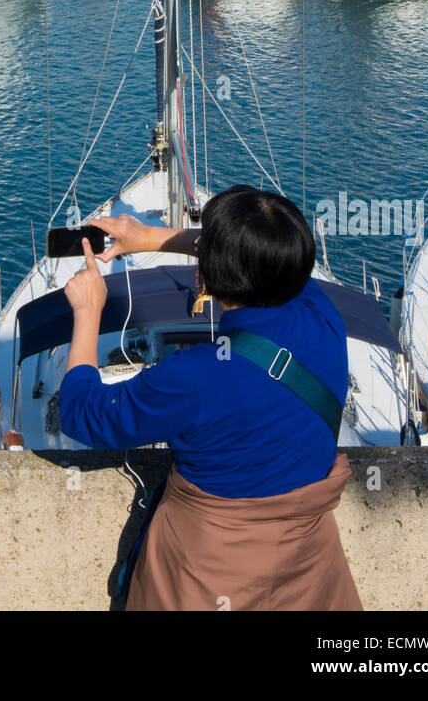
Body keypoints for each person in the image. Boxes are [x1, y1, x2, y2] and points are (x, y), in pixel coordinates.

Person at [58, 185, 362, 613]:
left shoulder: (194, 376)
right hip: (308, 568)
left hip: (205, 575)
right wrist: (150, 237)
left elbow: (81, 413)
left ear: (202, 278)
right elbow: (266, 262)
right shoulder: (323, 317)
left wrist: (88, 311)